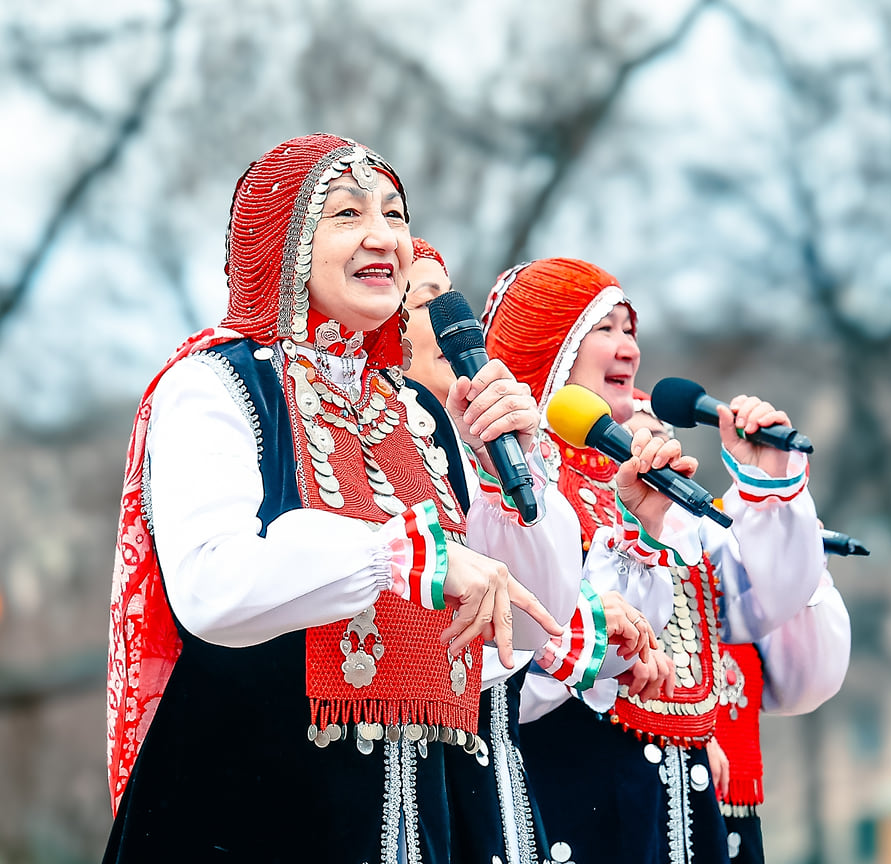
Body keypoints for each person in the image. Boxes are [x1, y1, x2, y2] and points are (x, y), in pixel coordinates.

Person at [102, 135, 575, 863]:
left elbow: (526, 637)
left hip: (433, 817)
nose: (384, 235)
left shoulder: (418, 412)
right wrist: (399, 560)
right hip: (256, 817)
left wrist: (521, 480)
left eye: (394, 213)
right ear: (281, 241)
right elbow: (210, 587)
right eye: (347, 214)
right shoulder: (219, 384)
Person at [481, 258, 848, 864]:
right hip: (565, 803)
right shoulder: (509, 490)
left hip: (680, 810)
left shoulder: (664, 492)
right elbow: (519, 666)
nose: (628, 347)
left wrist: (765, 482)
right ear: (550, 343)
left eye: (631, 330)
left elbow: (767, 603)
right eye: (604, 328)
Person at [403, 238, 661, 864]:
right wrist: (578, 632)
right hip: (435, 773)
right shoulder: (366, 448)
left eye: (449, 295)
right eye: (425, 299)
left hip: (497, 783)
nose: (449, 316)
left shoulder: (495, 457)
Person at [624, 394, 851, 864]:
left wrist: (793, 546)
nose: (655, 455)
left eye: (664, 441)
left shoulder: (709, 553)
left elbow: (804, 682)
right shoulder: (600, 552)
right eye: (633, 440)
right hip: (630, 814)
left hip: (729, 823)